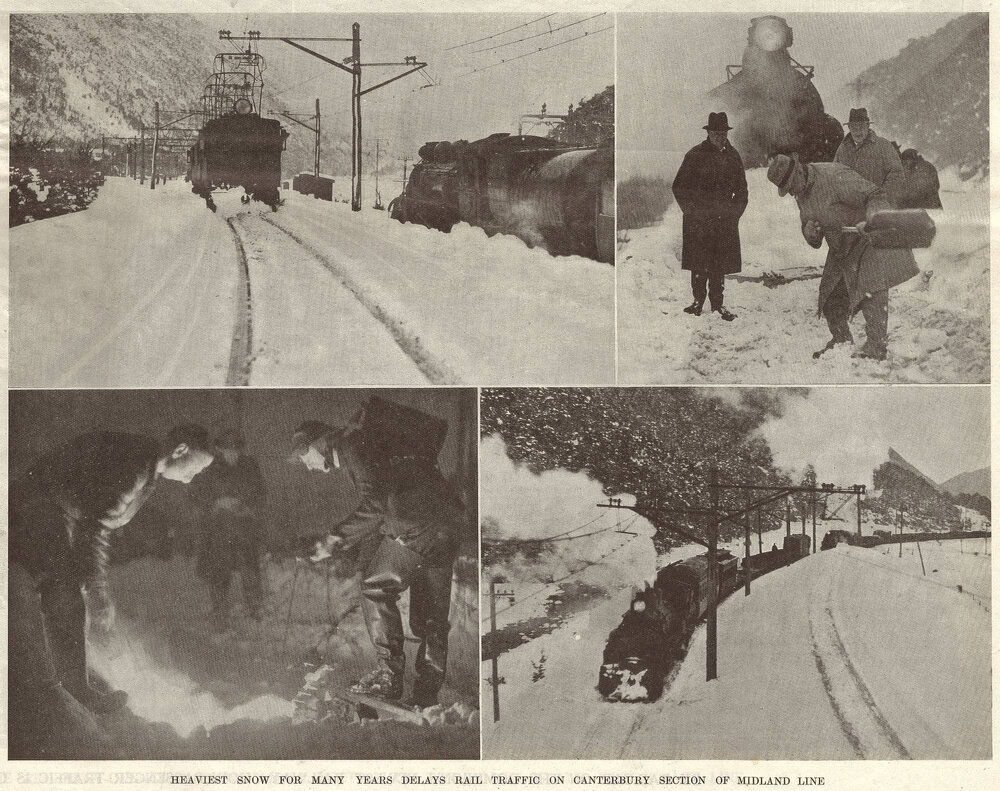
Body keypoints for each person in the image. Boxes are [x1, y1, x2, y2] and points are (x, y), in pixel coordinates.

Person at [8, 425, 214, 758]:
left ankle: (74, 682)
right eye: (197, 467)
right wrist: (98, 590)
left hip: (50, 510)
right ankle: (72, 690)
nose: (194, 477)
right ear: (180, 450)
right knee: (64, 591)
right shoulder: (135, 463)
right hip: (38, 508)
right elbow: (96, 525)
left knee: (64, 589)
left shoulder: (144, 464)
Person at [290, 397, 465, 708]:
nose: (306, 464)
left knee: (375, 588)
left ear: (317, 444)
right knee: (431, 618)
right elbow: (382, 507)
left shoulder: (351, 445)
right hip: (448, 522)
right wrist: (362, 554)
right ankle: (427, 693)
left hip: (416, 524)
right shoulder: (372, 443)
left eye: (303, 456)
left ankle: (388, 677)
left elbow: (376, 506)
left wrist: (333, 539)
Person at [766, 153, 919, 361]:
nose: (792, 193)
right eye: (787, 189)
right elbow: (811, 228)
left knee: (871, 291)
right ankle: (841, 341)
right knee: (830, 297)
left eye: (791, 186)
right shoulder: (800, 192)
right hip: (842, 247)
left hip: (867, 240)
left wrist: (871, 220)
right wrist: (809, 233)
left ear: (799, 171)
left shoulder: (834, 176)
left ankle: (876, 348)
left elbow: (875, 194)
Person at [672, 111, 748, 321]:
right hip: (699, 220)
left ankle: (718, 304)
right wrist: (692, 212)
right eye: (716, 134)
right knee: (699, 262)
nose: (720, 138)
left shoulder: (733, 156)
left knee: (719, 263)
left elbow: (742, 191)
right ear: (709, 133)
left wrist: (733, 214)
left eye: (723, 134)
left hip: (724, 220)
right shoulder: (695, 155)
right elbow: (679, 187)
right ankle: (698, 302)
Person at [193, 428, 267, 625]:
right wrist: (218, 503)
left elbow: (260, 493)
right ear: (220, 449)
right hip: (220, 528)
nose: (232, 453)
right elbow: (198, 497)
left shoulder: (250, 466)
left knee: (250, 569)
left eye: (235, 449)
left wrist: (246, 507)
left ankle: (255, 610)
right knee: (219, 571)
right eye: (227, 449)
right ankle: (220, 613)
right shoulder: (210, 468)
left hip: (244, 527)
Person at [834, 108, 904, 202]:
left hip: (877, 205)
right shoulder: (842, 149)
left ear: (868, 126)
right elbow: (834, 176)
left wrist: (882, 197)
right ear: (849, 127)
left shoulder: (883, 146)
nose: (857, 130)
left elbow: (896, 174)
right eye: (854, 126)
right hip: (848, 206)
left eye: (861, 126)